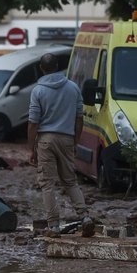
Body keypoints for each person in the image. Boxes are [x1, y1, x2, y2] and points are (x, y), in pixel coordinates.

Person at [28, 53, 94, 238]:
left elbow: (33, 122)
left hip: (46, 140)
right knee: (70, 181)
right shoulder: (73, 88)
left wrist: (31, 148)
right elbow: (79, 118)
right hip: (67, 138)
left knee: (47, 184)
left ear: (42, 68)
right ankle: (85, 217)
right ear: (57, 66)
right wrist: (75, 141)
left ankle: (54, 226)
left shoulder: (38, 91)